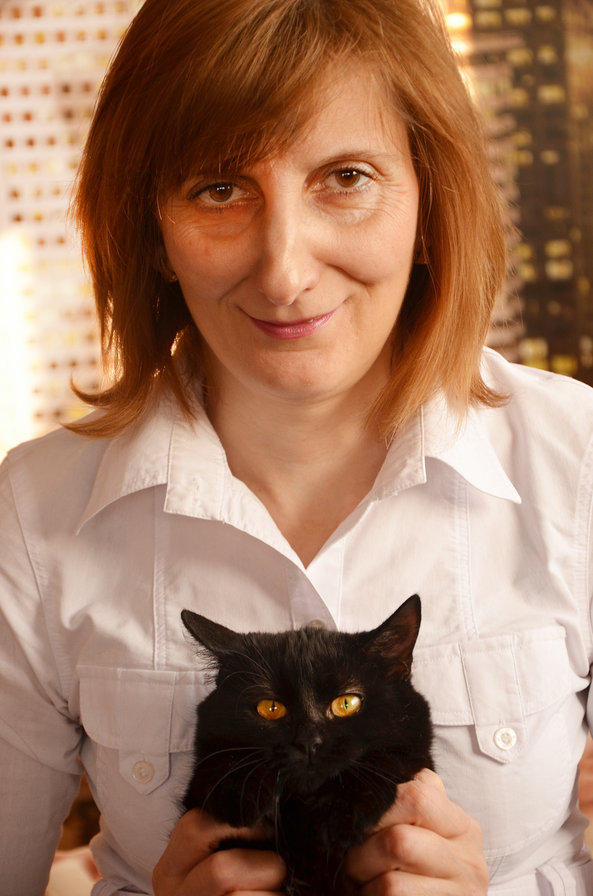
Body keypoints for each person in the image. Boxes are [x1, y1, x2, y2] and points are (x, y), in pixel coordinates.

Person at [1, 0, 592, 893]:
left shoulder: (576, 462)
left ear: (429, 204)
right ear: (152, 232)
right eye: (218, 190)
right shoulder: (31, 512)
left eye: (346, 177)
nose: (283, 271)